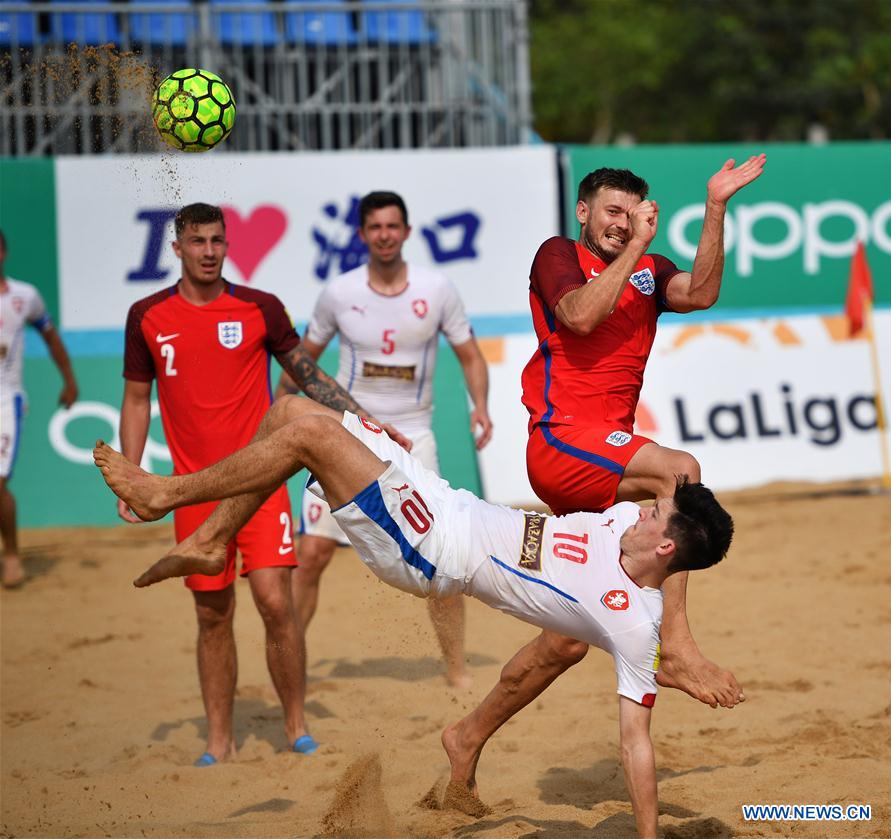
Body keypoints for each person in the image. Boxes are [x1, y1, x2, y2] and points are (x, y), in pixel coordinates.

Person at [92, 395, 735, 839]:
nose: (645, 508)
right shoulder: (631, 523)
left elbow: (635, 742)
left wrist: (648, 833)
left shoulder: (631, 621)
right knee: (290, 410)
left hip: (428, 551)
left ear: (667, 547)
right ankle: (212, 539)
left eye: (656, 515)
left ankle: (165, 493)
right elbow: (676, 478)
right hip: (445, 499)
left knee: (310, 438)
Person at [456, 156, 766, 751]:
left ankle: (467, 735)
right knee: (680, 472)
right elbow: (578, 315)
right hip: (560, 439)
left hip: (602, 462)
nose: (622, 224)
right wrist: (636, 251)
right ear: (584, 212)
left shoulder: (650, 270)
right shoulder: (557, 255)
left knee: (568, 639)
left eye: (632, 214)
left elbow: (700, 293)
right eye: (612, 212)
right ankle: (673, 647)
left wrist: (716, 206)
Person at [120, 202, 407, 766]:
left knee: (276, 601)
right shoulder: (147, 315)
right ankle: (218, 741)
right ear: (175, 248)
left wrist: (362, 423)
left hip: (260, 485)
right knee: (212, 614)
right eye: (197, 241)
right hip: (191, 491)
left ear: (228, 245)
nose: (209, 251)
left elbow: (306, 374)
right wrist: (131, 477)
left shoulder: (260, 307)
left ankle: (296, 725)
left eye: (217, 241)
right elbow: (135, 400)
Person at [276, 190, 493, 688]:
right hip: (345, 432)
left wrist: (480, 406)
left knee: (446, 558)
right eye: (375, 227)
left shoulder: (437, 289)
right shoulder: (339, 292)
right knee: (310, 556)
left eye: (393, 226)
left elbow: (471, 356)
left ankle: (456, 670)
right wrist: (278, 416)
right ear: (362, 235)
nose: (385, 235)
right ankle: (293, 668)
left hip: (414, 436)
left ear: (407, 232)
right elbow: (300, 361)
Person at [0, 229, 78, 588]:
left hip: (6, 397)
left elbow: (50, 336)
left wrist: (69, 380)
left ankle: (12, 555)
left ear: (3, 252)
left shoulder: (24, 296)